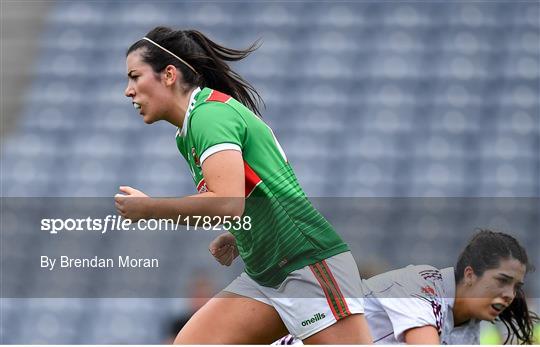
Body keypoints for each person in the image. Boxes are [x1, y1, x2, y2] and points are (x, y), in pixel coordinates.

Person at [115, 26, 372, 344]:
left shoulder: (209, 116)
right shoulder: (192, 129)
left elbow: (227, 201)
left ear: (168, 74)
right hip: (267, 273)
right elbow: (254, 192)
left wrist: (150, 209)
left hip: (307, 266)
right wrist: (244, 230)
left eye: (134, 76)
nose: (128, 90)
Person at [275, 229, 538, 345]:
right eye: (502, 281)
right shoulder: (420, 285)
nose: (509, 295)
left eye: (516, 287)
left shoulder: (468, 329)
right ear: (470, 275)